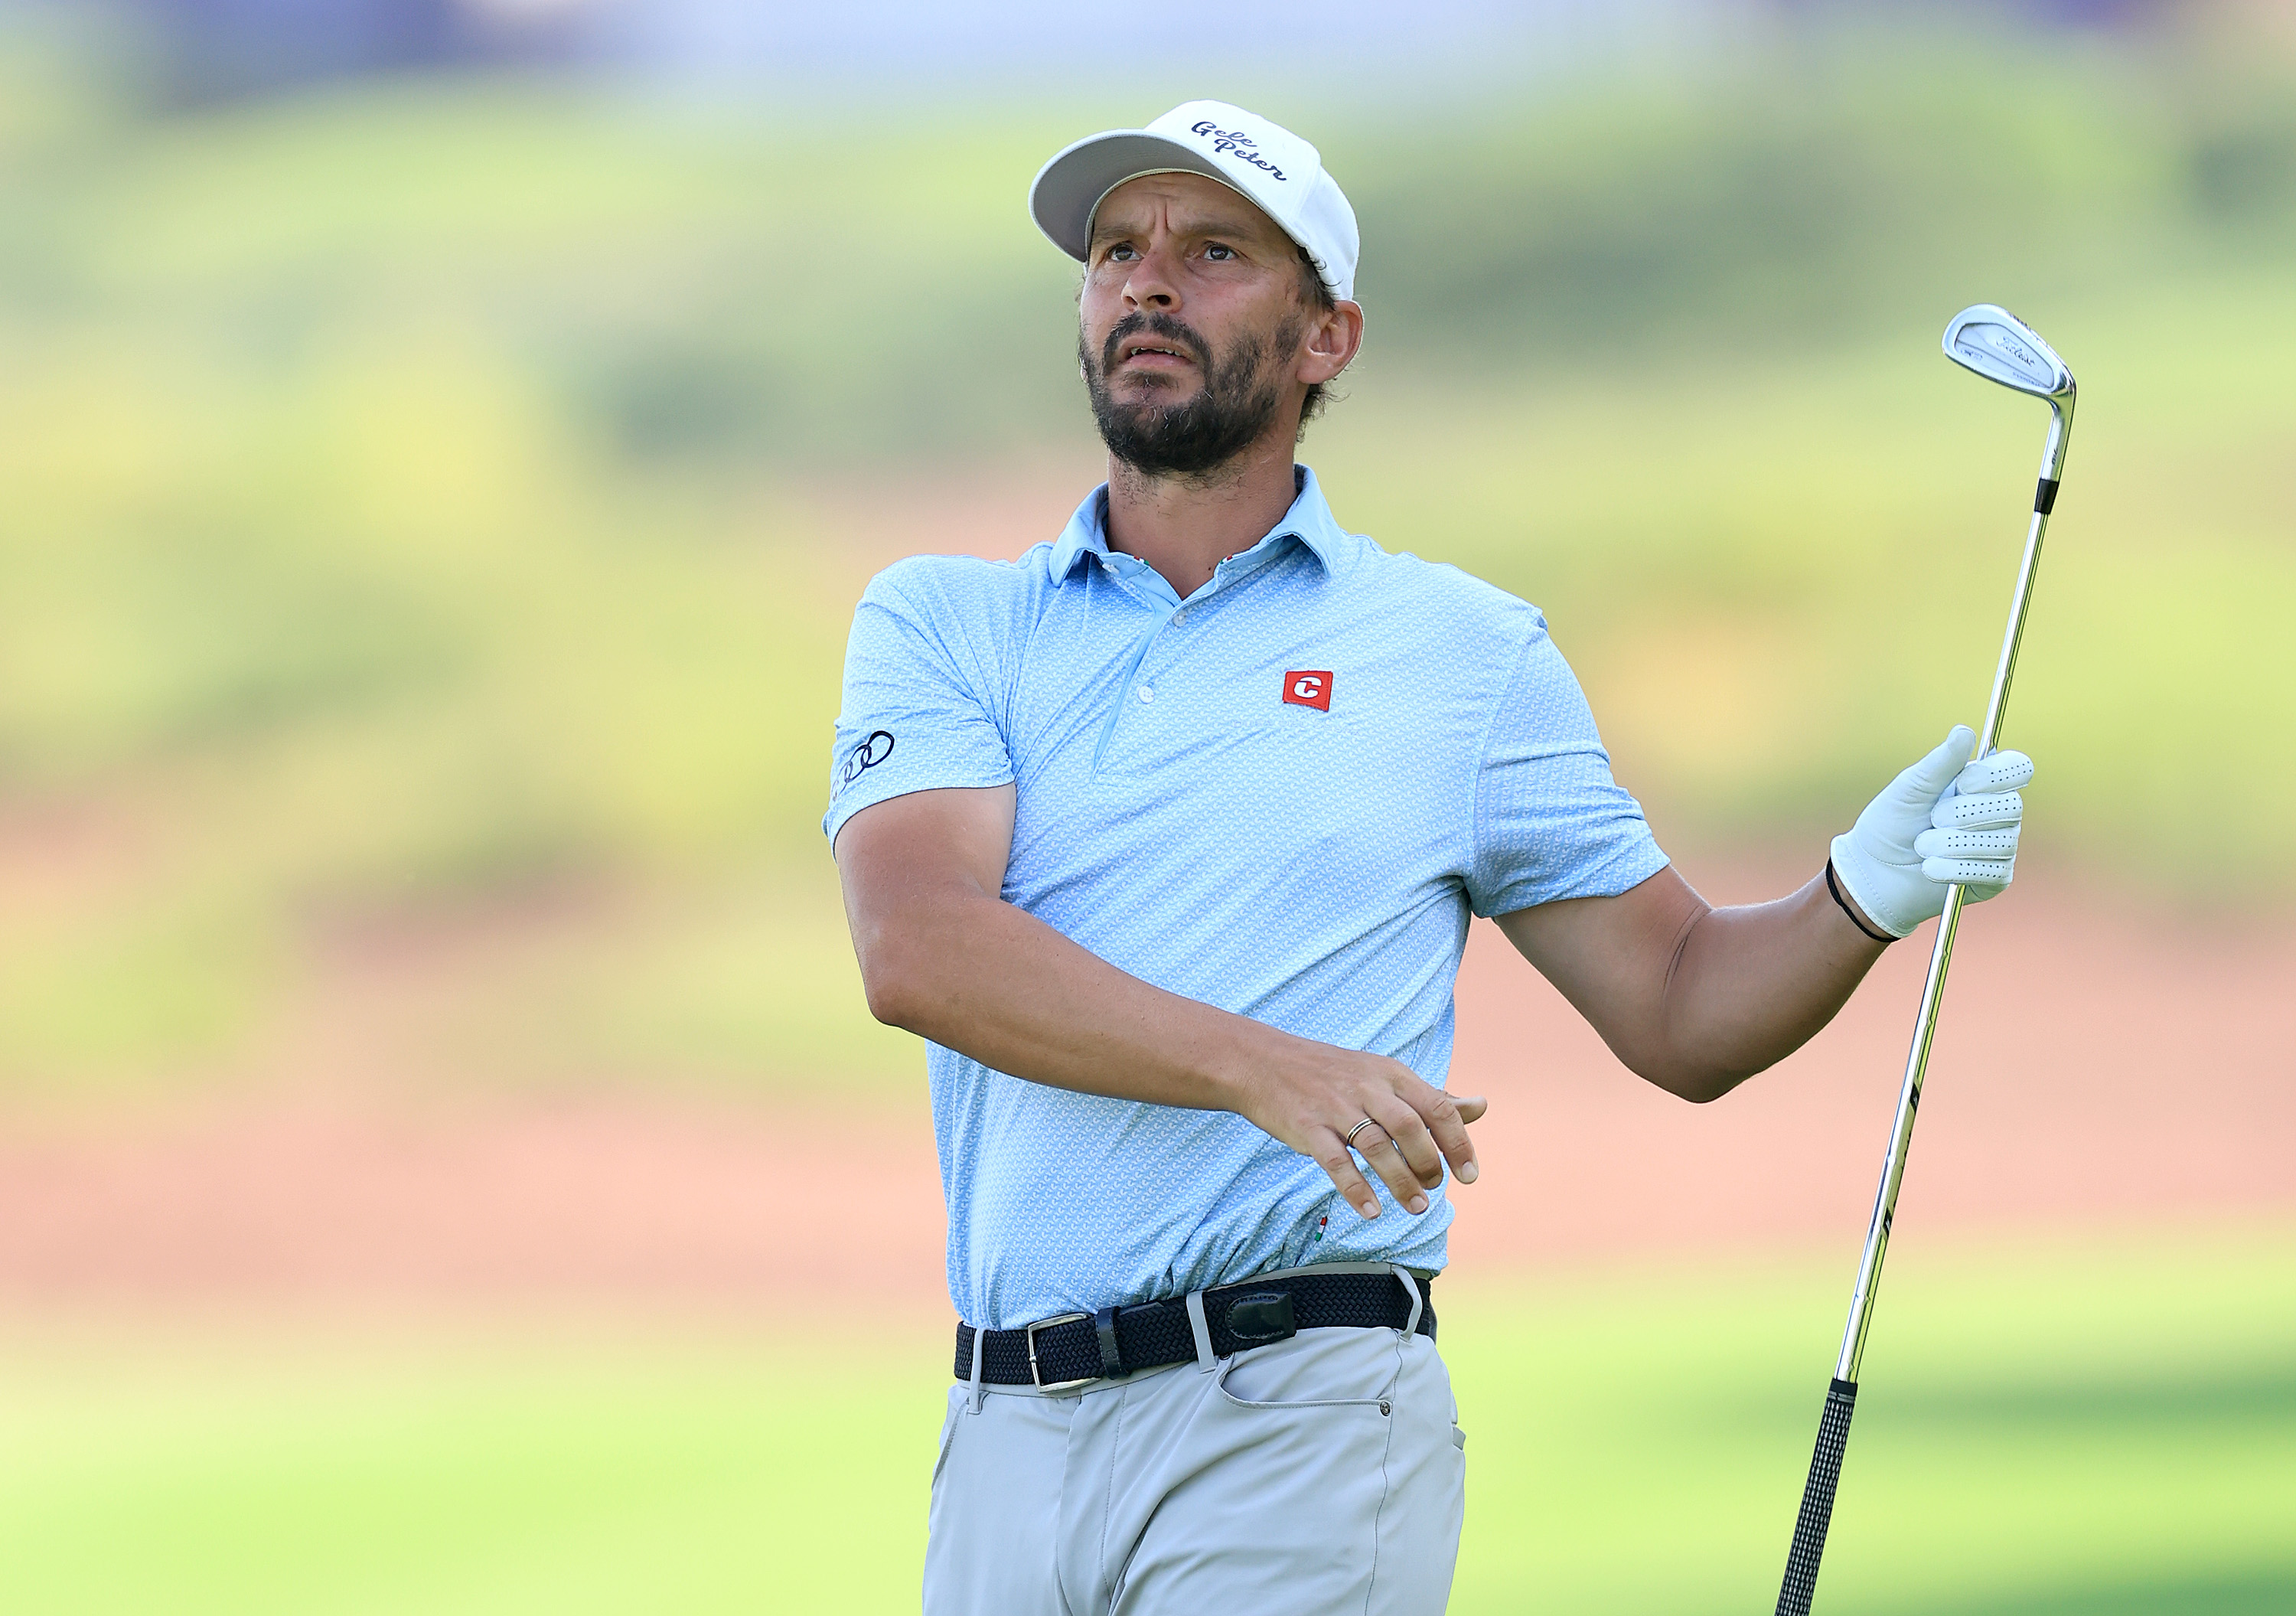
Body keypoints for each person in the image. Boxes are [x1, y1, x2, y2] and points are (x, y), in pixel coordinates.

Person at [824, 101, 2033, 1616]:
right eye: (1116, 253)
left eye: (1211, 253)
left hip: (1298, 1415)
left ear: (1328, 336)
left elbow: (1678, 1007)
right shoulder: (946, 620)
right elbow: (920, 947)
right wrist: (1268, 1068)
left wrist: (1862, 890)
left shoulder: (1458, 655)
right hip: (1003, 1426)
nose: (1146, 284)